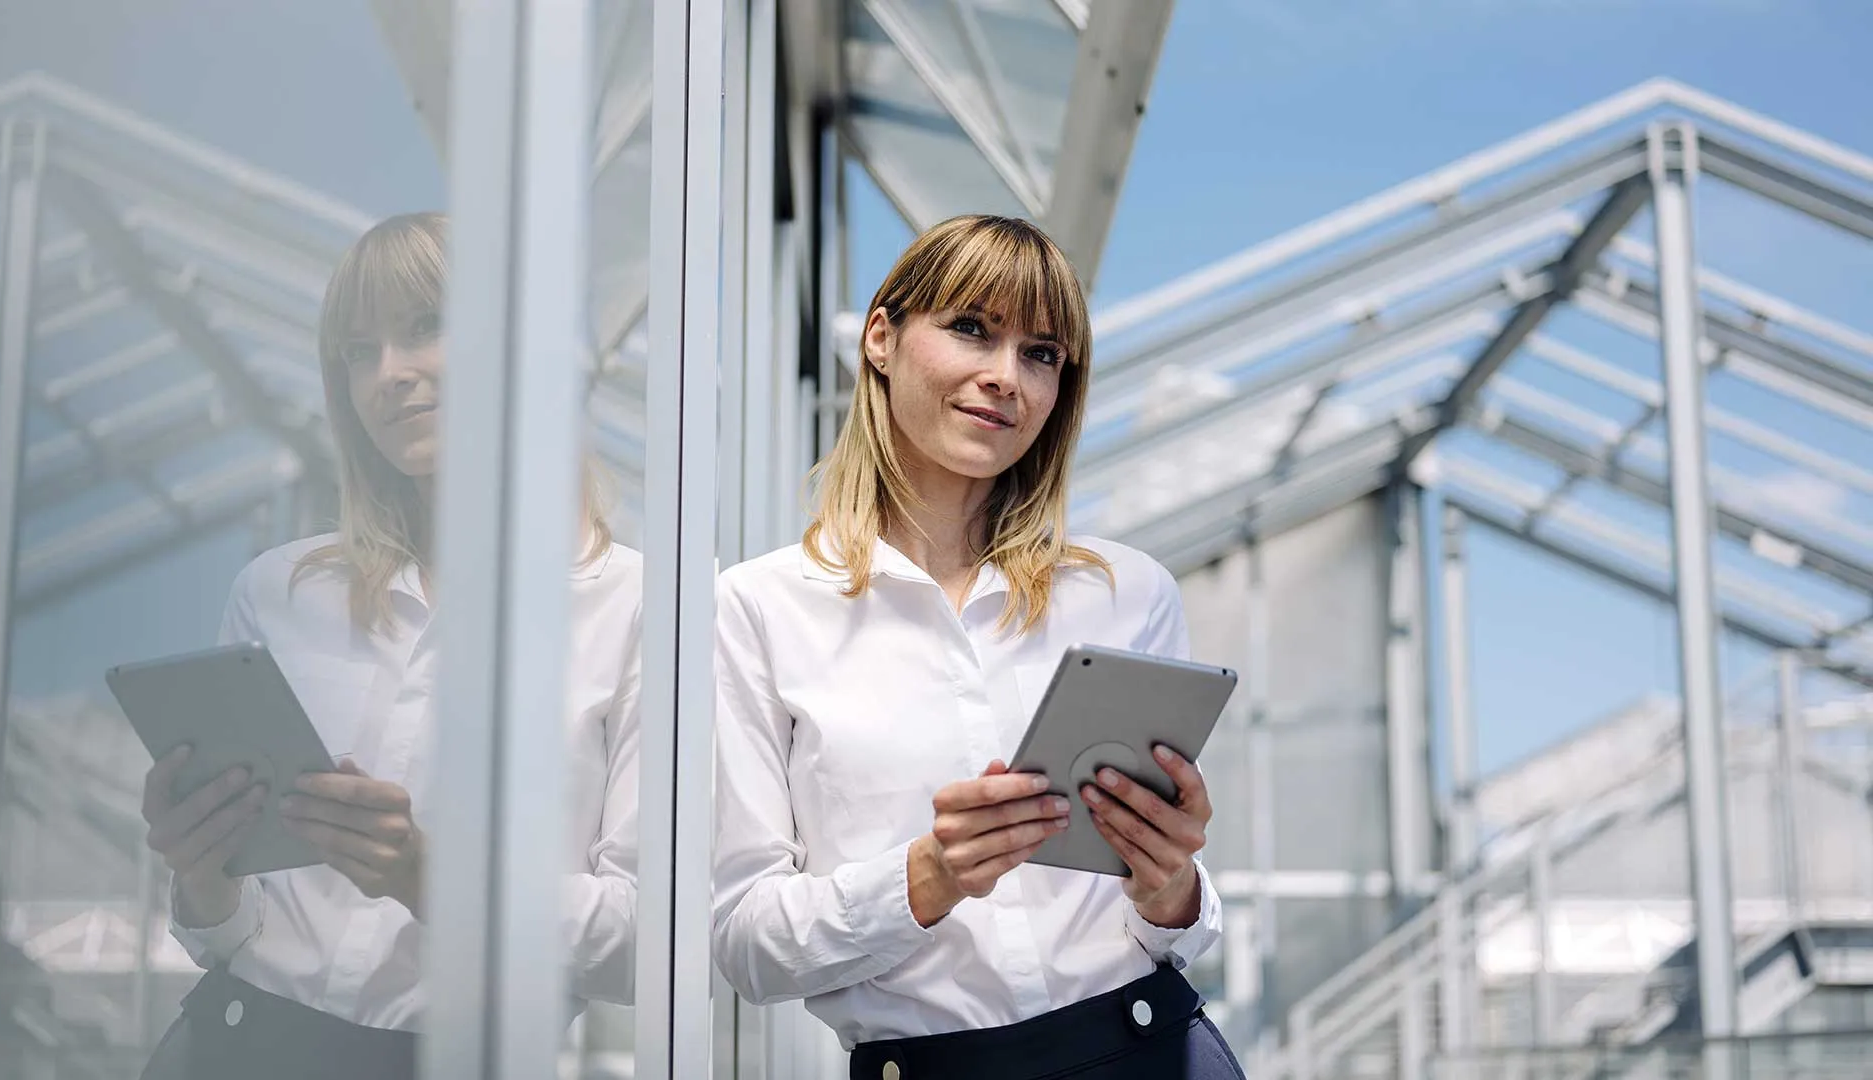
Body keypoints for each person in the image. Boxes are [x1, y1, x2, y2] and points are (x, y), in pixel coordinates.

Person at [711, 214, 1244, 1079]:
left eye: (1041, 353)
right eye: (971, 329)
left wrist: (1170, 883)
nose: (1007, 378)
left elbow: (1167, 923)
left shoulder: (1125, 593)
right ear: (881, 337)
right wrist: (926, 876)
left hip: (1149, 1049)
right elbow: (745, 946)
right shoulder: (759, 609)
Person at [135, 212, 642, 1080]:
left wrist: (429, 879)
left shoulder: (641, 609)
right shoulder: (281, 593)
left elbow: (648, 952)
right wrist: (203, 869)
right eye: (358, 352)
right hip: (227, 1043)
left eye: (424, 329)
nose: (387, 375)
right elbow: (225, 934)